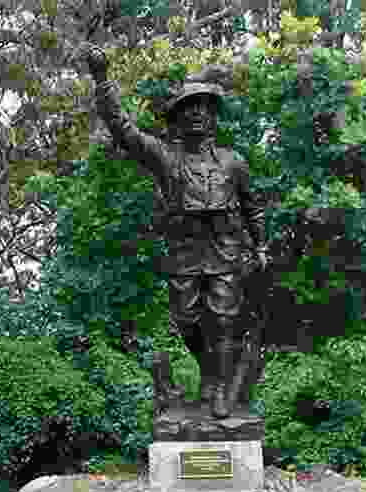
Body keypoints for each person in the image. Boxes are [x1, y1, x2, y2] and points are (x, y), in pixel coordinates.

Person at [81, 43, 270, 419]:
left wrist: (261, 245)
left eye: (204, 109)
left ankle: (218, 387)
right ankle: (213, 371)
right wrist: (102, 78)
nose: (198, 115)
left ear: (214, 118)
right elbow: (123, 128)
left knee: (223, 318)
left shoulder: (234, 162)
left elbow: (253, 205)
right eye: (189, 109)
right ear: (178, 119)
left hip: (226, 247)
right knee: (186, 320)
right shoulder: (166, 156)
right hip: (185, 249)